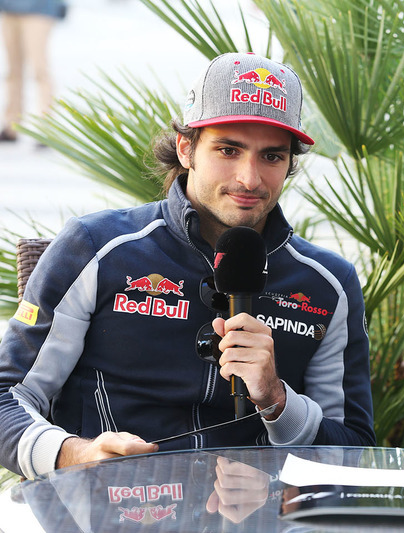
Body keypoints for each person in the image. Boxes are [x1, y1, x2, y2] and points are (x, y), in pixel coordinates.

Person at [0, 52, 376, 480]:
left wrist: (277, 401)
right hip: (109, 514)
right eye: (228, 150)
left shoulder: (328, 284)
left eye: (271, 157)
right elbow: (6, 397)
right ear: (186, 148)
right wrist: (74, 454)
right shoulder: (97, 247)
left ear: (290, 164)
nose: (250, 178)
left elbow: (355, 450)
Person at [0, 0, 66, 141]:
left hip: (39, 11)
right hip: (9, 10)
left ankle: (46, 127)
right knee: (13, 71)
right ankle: (11, 125)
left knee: (40, 70)